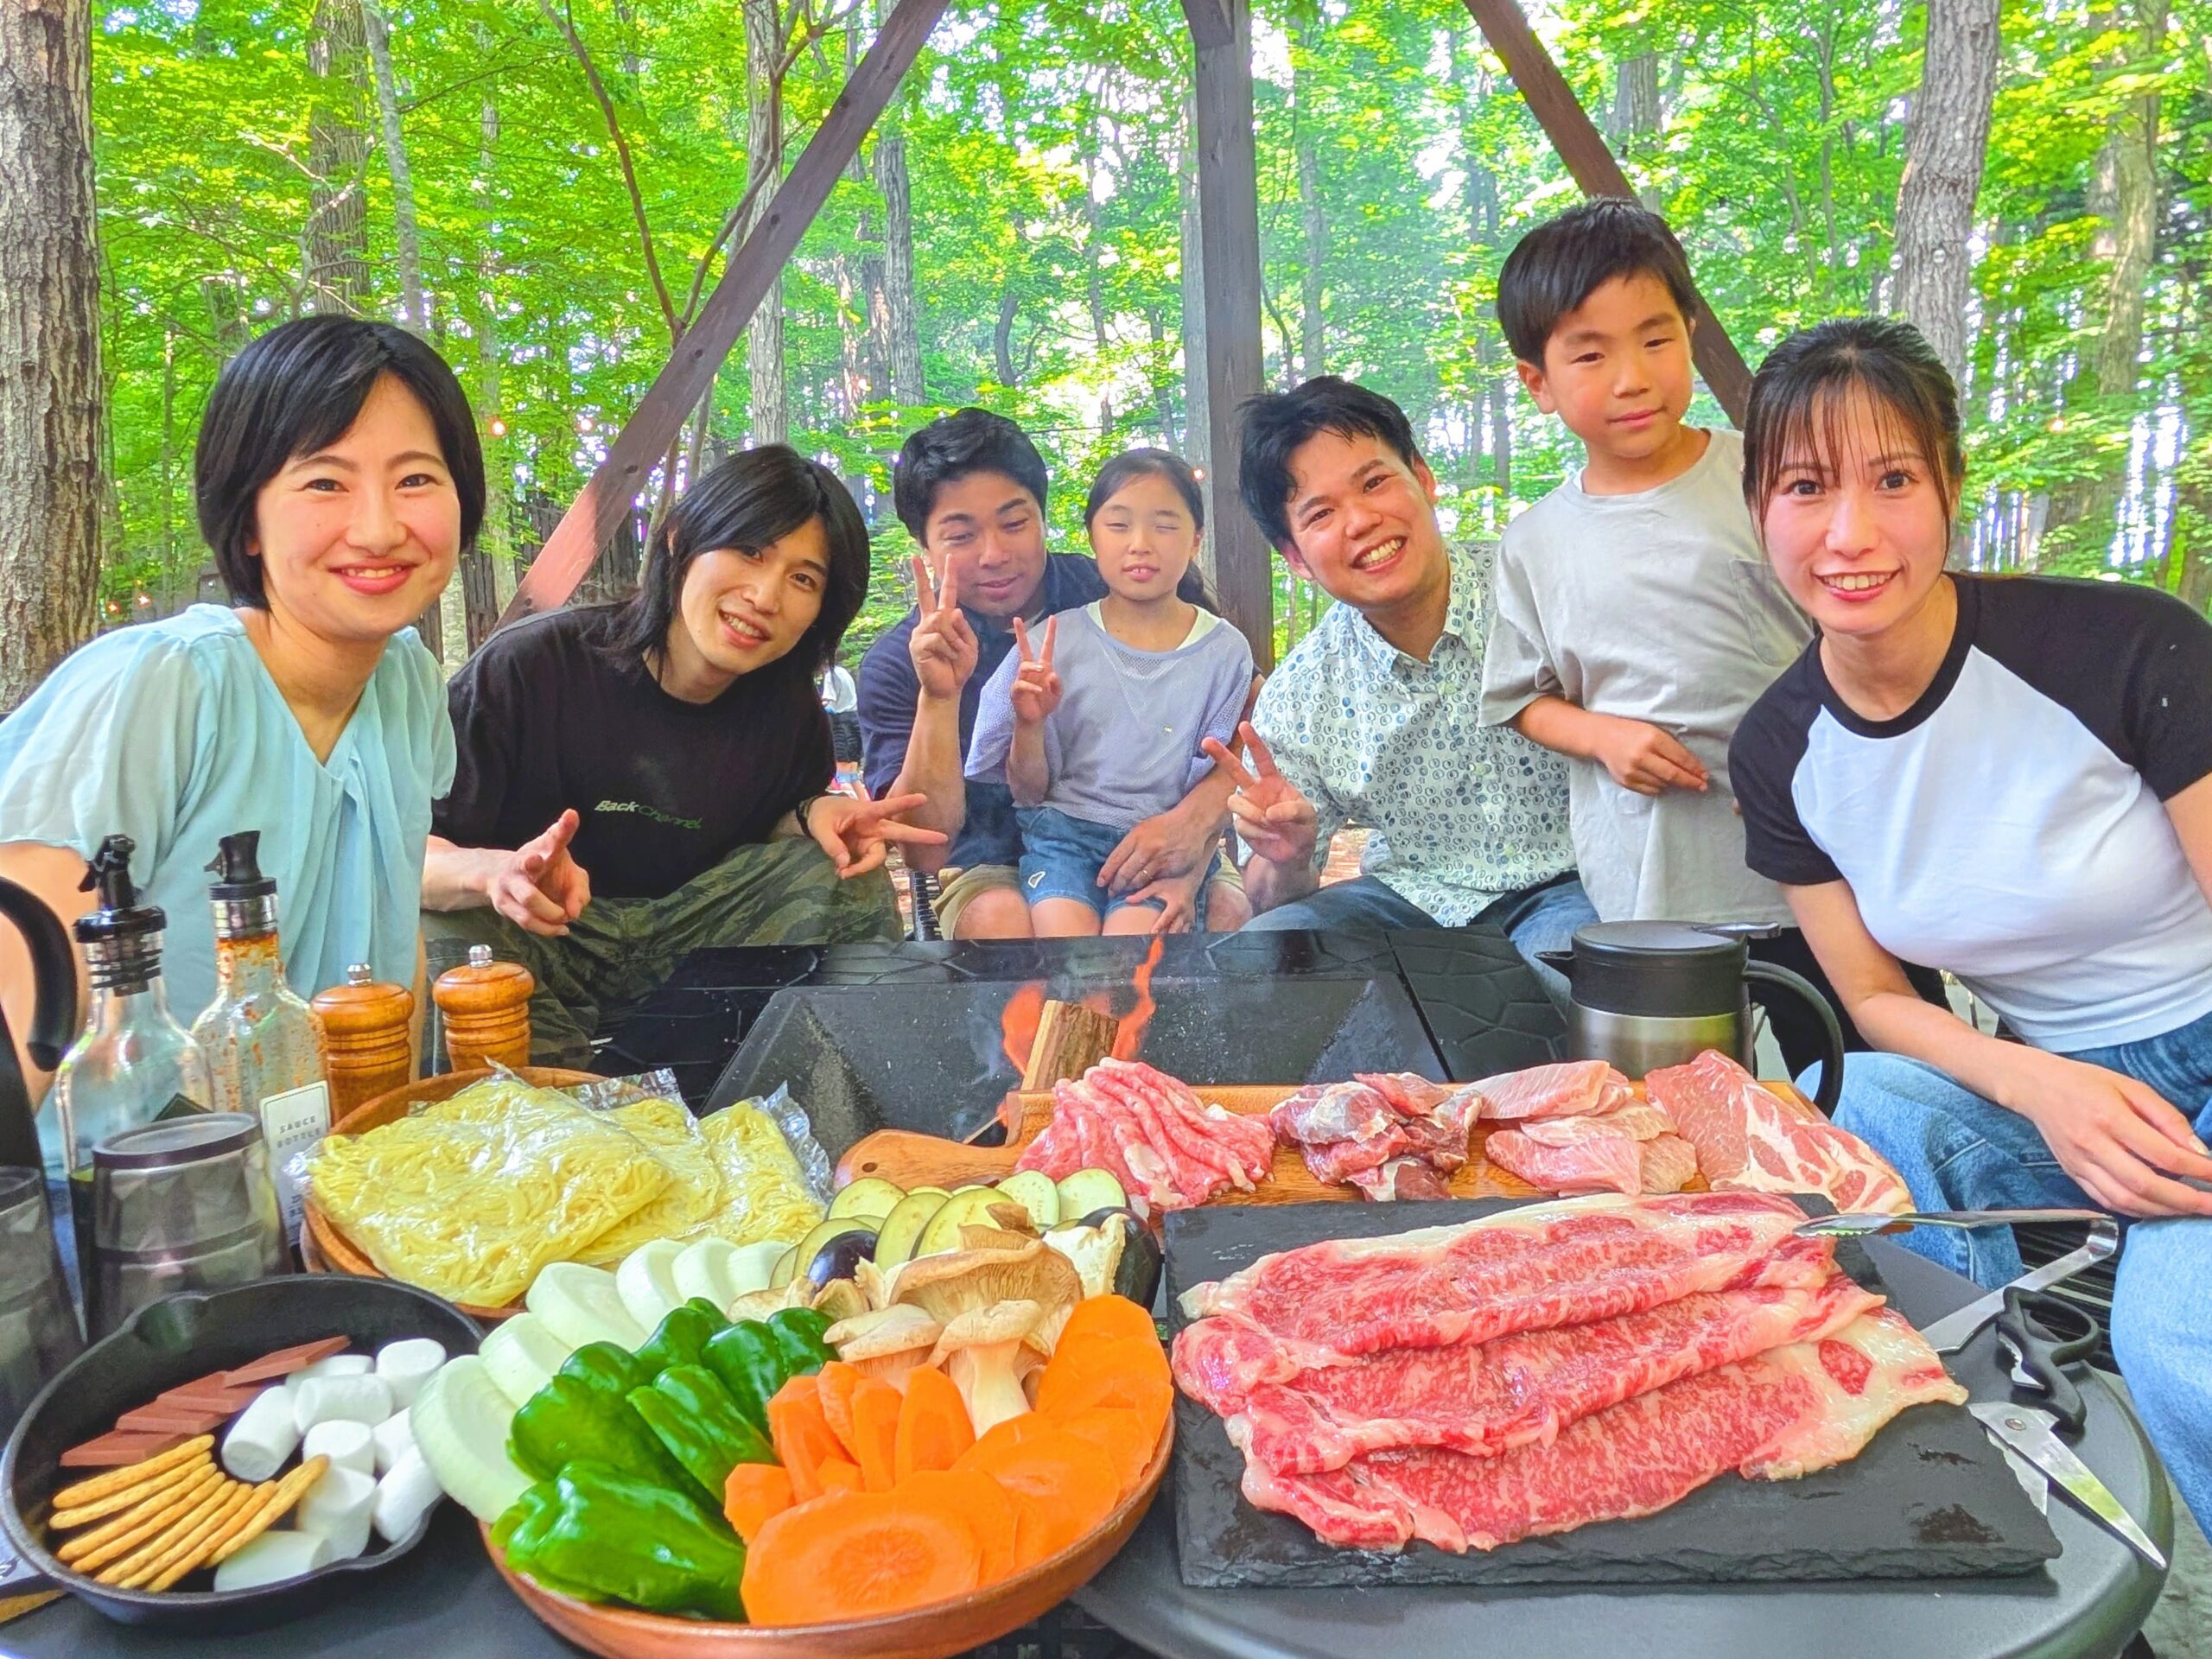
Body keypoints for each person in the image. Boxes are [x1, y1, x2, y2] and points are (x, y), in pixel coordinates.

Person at [1727, 315, 2212, 1531]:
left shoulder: (2125, 647)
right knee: (1866, 1108)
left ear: (1949, 485)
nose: (1851, 533)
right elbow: (1878, 1000)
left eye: (1893, 479)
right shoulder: (1781, 751)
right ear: (1758, 511)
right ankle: (2008, 1471)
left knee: (2182, 1356)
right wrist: (2044, 1086)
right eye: (1807, 486)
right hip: (2057, 1084)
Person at [1478, 199, 1945, 1072]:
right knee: (1675, 1103)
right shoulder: (1534, 542)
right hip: (1655, 881)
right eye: (1590, 353)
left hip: (1826, 860)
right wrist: (1602, 736)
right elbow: (1518, 698)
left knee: (1883, 1071)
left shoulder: (1772, 478)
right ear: (1536, 382)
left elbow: (1867, 624)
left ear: (1690, 331)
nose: (1632, 377)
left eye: (1655, 339)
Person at [0, 315, 476, 1096]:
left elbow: (395, 928)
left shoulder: (407, 682)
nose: (380, 527)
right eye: (325, 481)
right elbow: (23, 984)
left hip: (318, 1173)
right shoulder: (160, 685)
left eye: (416, 479)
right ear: (246, 519)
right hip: (129, 1193)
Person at [422, 445, 936, 1066]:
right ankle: (550, 1106)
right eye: (750, 552)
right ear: (678, 542)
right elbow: (403, 856)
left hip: (691, 949)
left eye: (803, 579)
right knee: (436, 933)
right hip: (541, 939)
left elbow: (763, 825)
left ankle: (804, 1089)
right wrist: (493, 873)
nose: (765, 596)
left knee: (846, 880)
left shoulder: (787, 708)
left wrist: (811, 815)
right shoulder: (530, 668)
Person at [1217, 375, 1594, 990]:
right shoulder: (1303, 696)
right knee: (1264, 958)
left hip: (1570, 887)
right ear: (1295, 558)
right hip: (1413, 902)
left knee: (1554, 984)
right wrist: (1283, 856)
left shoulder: (1544, 593)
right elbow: (1270, 896)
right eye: (1321, 513)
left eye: (1374, 483)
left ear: (1423, 479)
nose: (1362, 520)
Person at [857, 409, 1245, 937]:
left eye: (1014, 523)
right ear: (924, 547)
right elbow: (924, 848)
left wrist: (1193, 831)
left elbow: (1244, 711)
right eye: (960, 535)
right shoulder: (896, 663)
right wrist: (939, 697)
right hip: (989, 863)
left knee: (1225, 913)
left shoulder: (1115, 588)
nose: (994, 554)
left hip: (1150, 835)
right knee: (1004, 924)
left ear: (1044, 519)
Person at [964, 450, 1255, 934]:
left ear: (1195, 540)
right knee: (1067, 951)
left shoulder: (1225, 653)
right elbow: (1028, 791)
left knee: (1130, 951)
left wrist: (1190, 875)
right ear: (1092, 538)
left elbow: (1220, 787)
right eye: (1118, 526)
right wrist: (1029, 723)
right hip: (1063, 838)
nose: (1140, 544)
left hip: (1159, 847)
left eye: (1164, 526)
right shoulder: (1049, 644)